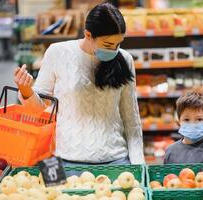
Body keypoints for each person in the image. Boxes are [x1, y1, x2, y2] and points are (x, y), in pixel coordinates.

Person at [13, 2, 145, 166]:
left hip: (116, 160)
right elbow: (40, 109)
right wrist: (27, 92)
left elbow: (131, 118)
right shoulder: (58, 53)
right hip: (67, 160)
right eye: (108, 45)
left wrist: (139, 165)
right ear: (88, 35)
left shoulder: (125, 59)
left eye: (118, 44)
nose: (114, 50)